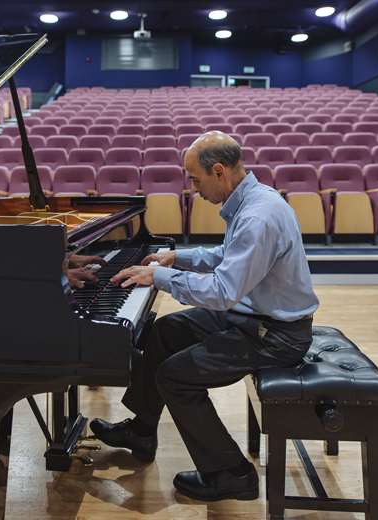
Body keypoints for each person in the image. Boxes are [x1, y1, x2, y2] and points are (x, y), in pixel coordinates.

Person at [91, 131, 319, 502]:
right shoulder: (252, 201)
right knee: (164, 332)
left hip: (274, 335)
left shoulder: (259, 215)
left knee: (175, 377)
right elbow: (229, 254)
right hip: (251, 318)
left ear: (219, 171)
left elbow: (222, 291)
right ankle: (142, 430)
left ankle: (231, 473)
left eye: (195, 179)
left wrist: (160, 277)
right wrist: (176, 257)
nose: (192, 187)